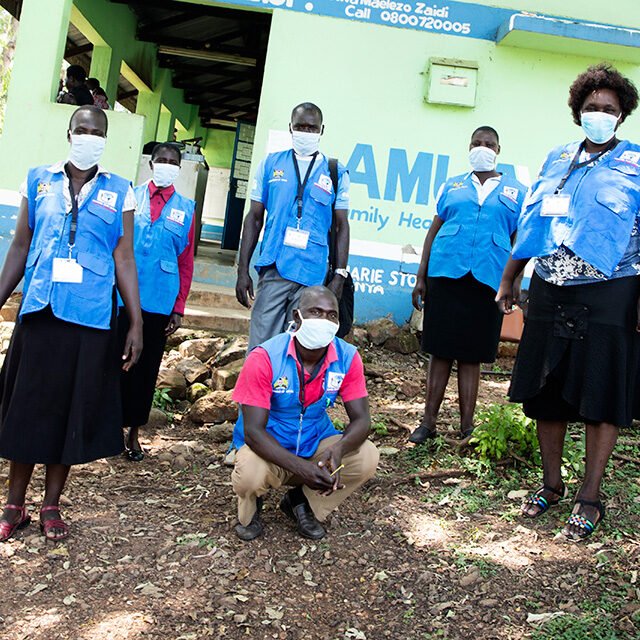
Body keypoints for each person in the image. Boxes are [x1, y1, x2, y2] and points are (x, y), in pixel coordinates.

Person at [497, 63, 640, 541]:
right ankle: (552, 484)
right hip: (551, 287)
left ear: (622, 116)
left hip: (612, 289)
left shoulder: (636, 163)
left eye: (609, 109)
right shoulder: (557, 159)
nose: (599, 114)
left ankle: (590, 496)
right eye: (591, 107)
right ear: (578, 111)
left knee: (601, 391)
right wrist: (510, 278)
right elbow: (532, 221)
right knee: (547, 389)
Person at [0, 105, 142, 542]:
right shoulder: (38, 180)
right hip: (41, 310)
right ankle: (14, 503)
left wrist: (134, 323)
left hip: (91, 318)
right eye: (81, 129)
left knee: (69, 410)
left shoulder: (121, 191)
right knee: (26, 409)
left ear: (105, 139)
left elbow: (124, 258)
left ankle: (51, 505)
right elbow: (21, 245)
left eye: (96, 131)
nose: (88, 136)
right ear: (69, 133)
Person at [230, 285, 378, 541]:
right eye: (315, 312)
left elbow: (362, 420)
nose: (324, 321)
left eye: (332, 315)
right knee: (250, 474)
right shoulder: (264, 357)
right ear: (297, 317)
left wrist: (339, 450)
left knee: (367, 456)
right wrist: (302, 469)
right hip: (267, 447)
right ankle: (252, 504)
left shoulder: (347, 357)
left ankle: (301, 503)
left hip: (314, 443)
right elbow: (253, 432)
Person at [410, 127, 527, 443]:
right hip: (446, 273)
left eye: (488, 144)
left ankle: (467, 427)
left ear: (498, 150)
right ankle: (428, 423)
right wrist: (421, 277)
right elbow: (433, 232)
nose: (482, 147)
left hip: (488, 279)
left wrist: (514, 281)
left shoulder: (517, 191)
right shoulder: (452, 185)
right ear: (469, 147)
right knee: (439, 350)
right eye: (477, 143)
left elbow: (520, 242)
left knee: (472, 354)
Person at [235, 102, 351, 351]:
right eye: (300, 126)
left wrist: (339, 277)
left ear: (321, 130)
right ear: (290, 127)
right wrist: (242, 269)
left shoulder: (335, 172)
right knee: (262, 344)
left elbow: (342, 226)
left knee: (301, 347)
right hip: (275, 267)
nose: (305, 132)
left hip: (313, 275)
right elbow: (254, 218)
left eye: (311, 127)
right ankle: (258, 389)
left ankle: (292, 390)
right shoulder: (270, 164)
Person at [119, 143, 195, 461]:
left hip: (160, 300)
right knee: (116, 361)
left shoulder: (187, 208)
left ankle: (134, 433)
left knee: (147, 367)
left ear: (179, 168)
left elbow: (186, 262)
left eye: (172, 162)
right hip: (124, 295)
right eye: (161, 160)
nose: (166, 165)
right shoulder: (130, 197)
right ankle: (108, 429)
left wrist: (179, 307)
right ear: (151, 164)